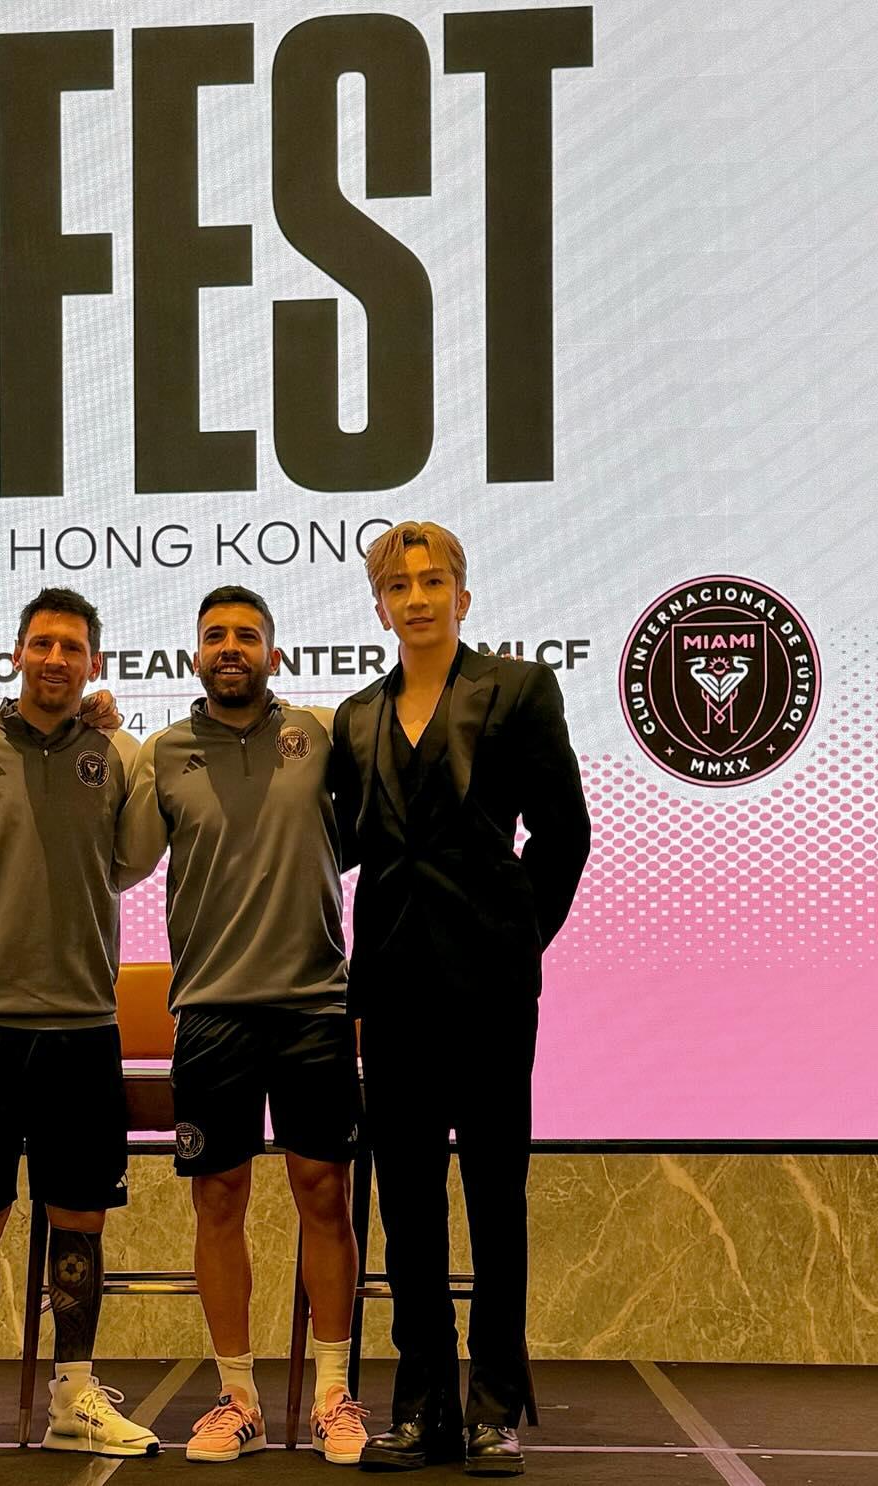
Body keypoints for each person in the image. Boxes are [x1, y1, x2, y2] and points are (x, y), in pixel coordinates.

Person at [328, 522, 590, 1477]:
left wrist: (518, 940)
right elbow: (342, 845)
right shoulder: (355, 717)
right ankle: (424, 1407)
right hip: (391, 992)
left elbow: (563, 835)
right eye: (399, 586)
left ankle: (494, 1407)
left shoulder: (518, 690)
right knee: (406, 1205)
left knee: (493, 1195)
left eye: (433, 581)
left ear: (463, 597)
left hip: (490, 992)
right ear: (380, 607)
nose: (418, 598)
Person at [117, 585, 369, 1467]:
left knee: (324, 1194)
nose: (232, 647)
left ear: (275, 654)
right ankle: (239, 1400)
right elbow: (121, 863)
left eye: (248, 636)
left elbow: (364, 834)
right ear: (195, 656)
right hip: (211, 1010)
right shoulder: (164, 753)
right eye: (216, 635)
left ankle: (333, 1397)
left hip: (314, 1005)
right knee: (218, 1199)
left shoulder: (320, 738)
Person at [0, 587, 159, 1466]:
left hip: (84, 1026)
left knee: (80, 1219)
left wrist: (113, 734)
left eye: (73, 647)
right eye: (42, 644)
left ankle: (73, 1396)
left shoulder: (118, 755)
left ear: (96, 662)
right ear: (16, 653)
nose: (56, 659)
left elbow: (129, 862)